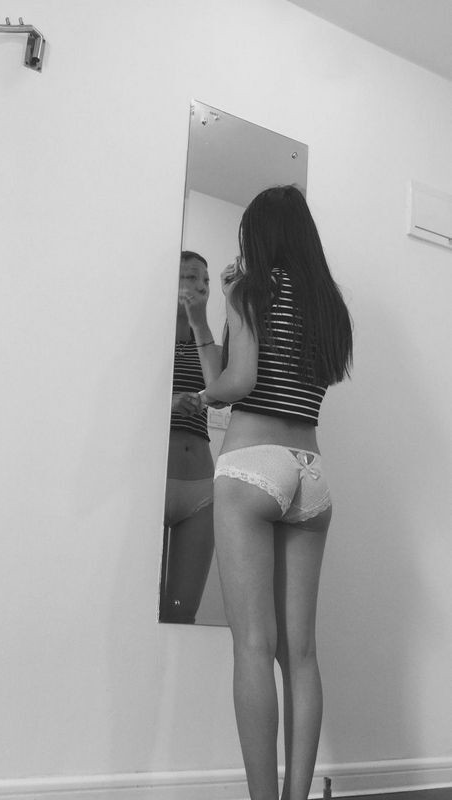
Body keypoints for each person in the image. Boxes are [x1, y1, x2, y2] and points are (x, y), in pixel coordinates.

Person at [199, 186, 353, 800]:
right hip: (310, 474)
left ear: (257, 235)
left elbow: (239, 381)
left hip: (253, 466)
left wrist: (205, 394)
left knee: (253, 647)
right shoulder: (327, 304)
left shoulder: (250, 290)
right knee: (302, 654)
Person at [161, 251, 222, 623]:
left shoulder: (210, 347)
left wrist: (200, 322)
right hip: (153, 482)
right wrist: (168, 404)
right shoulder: (152, 343)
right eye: (190, 277)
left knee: (182, 611)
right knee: (136, 606)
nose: (200, 286)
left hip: (201, 488)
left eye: (206, 280)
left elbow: (222, 391)